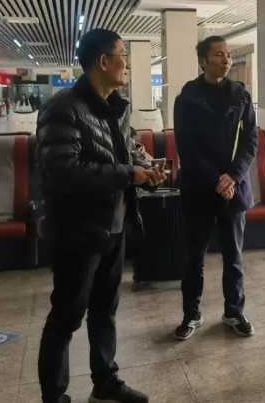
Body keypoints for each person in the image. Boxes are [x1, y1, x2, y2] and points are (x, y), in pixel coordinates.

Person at [36, 28, 165, 403]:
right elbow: (63, 171)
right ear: (104, 61)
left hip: (114, 227)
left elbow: (129, 152)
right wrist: (127, 174)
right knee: (67, 316)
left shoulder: (117, 106)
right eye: (124, 55)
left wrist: (148, 170)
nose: (128, 64)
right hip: (76, 231)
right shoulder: (63, 108)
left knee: (105, 310)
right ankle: (54, 397)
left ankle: (105, 382)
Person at [172, 35, 258, 341]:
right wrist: (216, 180)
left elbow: (250, 141)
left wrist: (232, 176)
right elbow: (187, 148)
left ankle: (234, 311)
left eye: (228, 55)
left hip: (234, 188)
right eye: (219, 55)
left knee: (234, 257)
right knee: (193, 258)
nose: (226, 60)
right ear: (203, 61)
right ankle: (191, 314)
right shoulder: (187, 99)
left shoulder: (241, 95)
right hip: (198, 188)